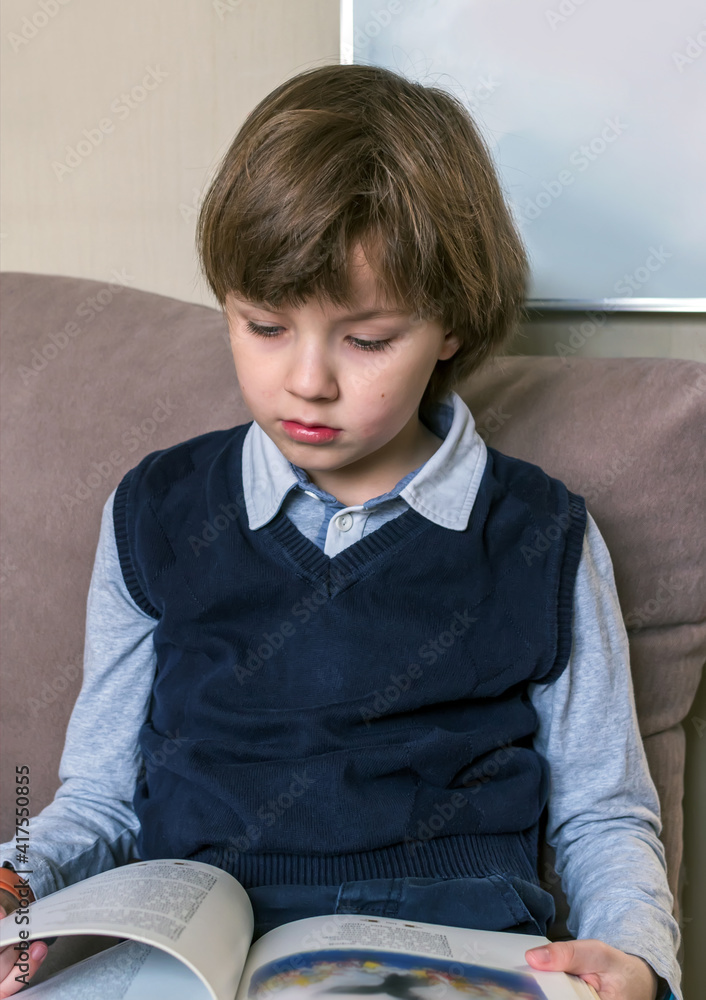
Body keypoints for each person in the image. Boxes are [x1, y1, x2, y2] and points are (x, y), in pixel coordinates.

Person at [0, 64, 681, 1000]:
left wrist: (638, 957)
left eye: (365, 340)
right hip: (193, 942)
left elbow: (603, 815)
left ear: (449, 326)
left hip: (447, 945)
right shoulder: (156, 510)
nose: (307, 382)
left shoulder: (541, 535)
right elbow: (96, 800)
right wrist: (18, 881)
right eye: (265, 325)